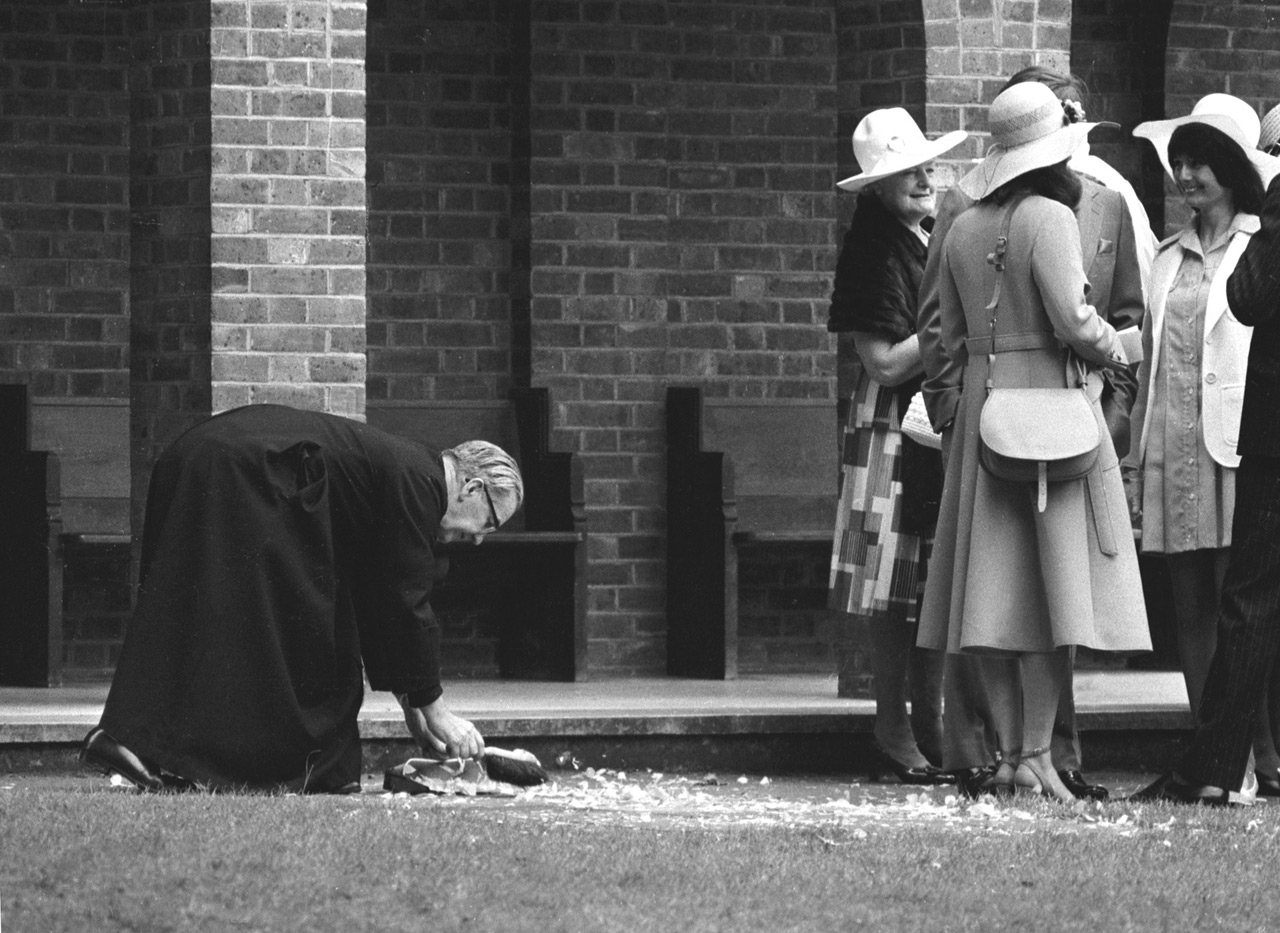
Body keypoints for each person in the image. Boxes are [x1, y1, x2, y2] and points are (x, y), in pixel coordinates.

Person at [79, 403, 523, 793]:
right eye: (489, 523)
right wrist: (437, 711)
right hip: (244, 473)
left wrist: (413, 707)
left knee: (216, 620)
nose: (480, 539)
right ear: (473, 488)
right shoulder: (421, 484)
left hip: (211, 458)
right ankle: (155, 746)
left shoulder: (413, 473)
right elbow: (406, 601)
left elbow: (378, 600)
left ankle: (133, 744)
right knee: (284, 643)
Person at [917, 67, 1149, 801]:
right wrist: (1122, 349)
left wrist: (960, 410)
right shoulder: (1051, 217)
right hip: (1049, 410)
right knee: (1056, 598)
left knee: (982, 598)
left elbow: (945, 341)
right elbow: (1076, 323)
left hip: (982, 416)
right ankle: (1035, 751)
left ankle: (1011, 755)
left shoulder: (960, 225)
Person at [1124, 93, 1274, 803]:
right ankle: (1208, 747)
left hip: (1240, 439)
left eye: (1200, 163)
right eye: (1179, 162)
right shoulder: (1166, 253)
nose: (1186, 175)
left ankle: (1253, 754)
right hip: (1172, 438)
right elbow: (1152, 353)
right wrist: (1136, 448)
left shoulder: (1260, 239)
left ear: (1232, 171)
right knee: (1188, 600)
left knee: (1240, 600)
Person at [827, 107, 966, 785]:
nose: (922, 176)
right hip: (889, 427)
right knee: (891, 587)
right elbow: (882, 363)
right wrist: (951, 328)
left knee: (929, 578)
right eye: (903, 171)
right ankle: (891, 726)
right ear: (877, 187)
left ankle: (930, 721)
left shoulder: (929, 234)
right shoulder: (873, 248)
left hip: (932, 422)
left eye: (923, 164)